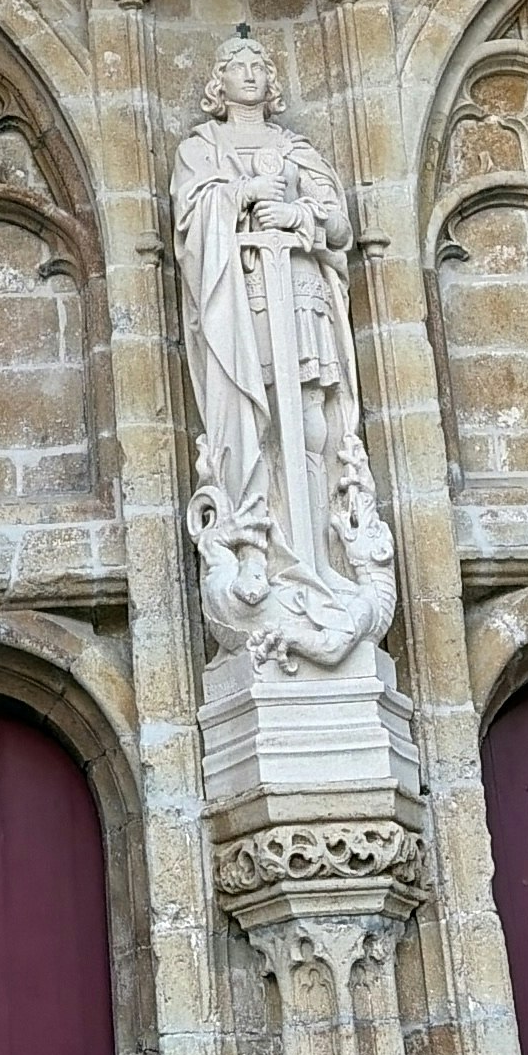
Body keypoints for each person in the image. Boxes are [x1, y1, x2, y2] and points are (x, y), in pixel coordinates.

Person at [170, 36, 393, 665]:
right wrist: (239, 198)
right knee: (256, 421)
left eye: (259, 65)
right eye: (237, 66)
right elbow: (191, 219)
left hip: (298, 293)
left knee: (314, 424)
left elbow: (339, 226)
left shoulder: (296, 149)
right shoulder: (200, 149)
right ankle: (260, 553)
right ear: (218, 81)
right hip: (243, 305)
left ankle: (320, 559)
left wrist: (295, 215)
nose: (250, 74)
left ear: (273, 81)